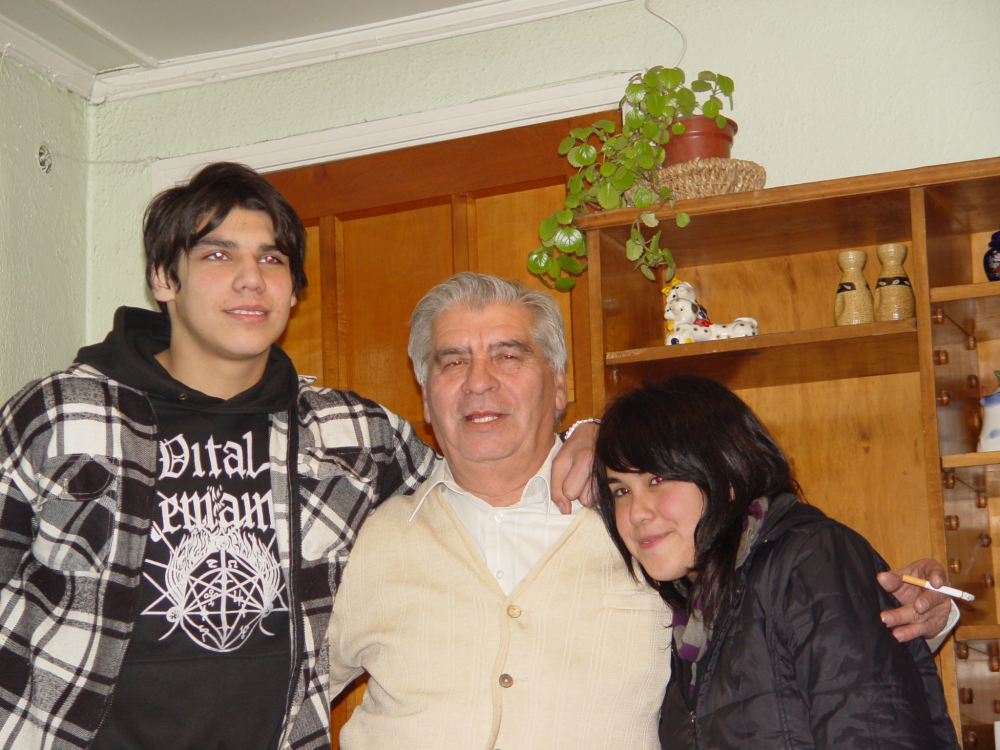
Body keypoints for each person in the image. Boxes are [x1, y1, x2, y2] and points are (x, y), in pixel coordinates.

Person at [0, 165, 594, 750]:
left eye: (272, 259)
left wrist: (595, 435)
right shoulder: (61, 417)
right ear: (163, 277)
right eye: (217, 255)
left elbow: (483, 471)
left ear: (292, 289)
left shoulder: (350, 435)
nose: (250, 280)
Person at [326, 273, 956, 750]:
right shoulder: (364, 539)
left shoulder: (650, 526)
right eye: (452, 361)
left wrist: (921, 608)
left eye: (509, 355)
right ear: (425, 397)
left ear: (560, 385)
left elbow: (786, 617)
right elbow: (287, 688)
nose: (478, 380)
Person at [593, 376, 960, 749]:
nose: (636, 512)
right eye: (621, 490)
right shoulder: (693, 617)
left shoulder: (811, 561)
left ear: (726, 470)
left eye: (657, 479)